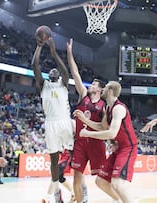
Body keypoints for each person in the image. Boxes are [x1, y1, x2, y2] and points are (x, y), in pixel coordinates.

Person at [74, 81, 137, 203]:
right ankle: (119, 200)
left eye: (105, 87)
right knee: (101, 181)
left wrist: (88, 134)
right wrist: (84, 120)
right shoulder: (108, 107)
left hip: (128, 148)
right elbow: (102, 127)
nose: (102, 89)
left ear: (110, 91)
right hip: (118, 148)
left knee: (117, 184)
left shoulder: (118, 108)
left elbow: (111, 133)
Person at [67, 38, 111, 203]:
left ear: (99, 89)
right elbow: (75, 73)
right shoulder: (83, 95)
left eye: (93, 84)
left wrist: (87, 125)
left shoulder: (104, 106)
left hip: (96, 143)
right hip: (80, 142)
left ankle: (118, 197)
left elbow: (103, 128)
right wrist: (70, 54)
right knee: (76, 178)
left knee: (103, 178)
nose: (90, 85)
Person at [32, 35, 74, 203]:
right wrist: (39, 47)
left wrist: (54, 52)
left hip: (65, 121)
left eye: (55, 70)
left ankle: (78, 190)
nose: (54, 70)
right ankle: (57, 196)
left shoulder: (64, 84)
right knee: (54, 160)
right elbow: (34, 65)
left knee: (73, 154)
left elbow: (65, 70)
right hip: (50, 124)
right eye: (51, 70)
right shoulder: (44, 85)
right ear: (48, 75)